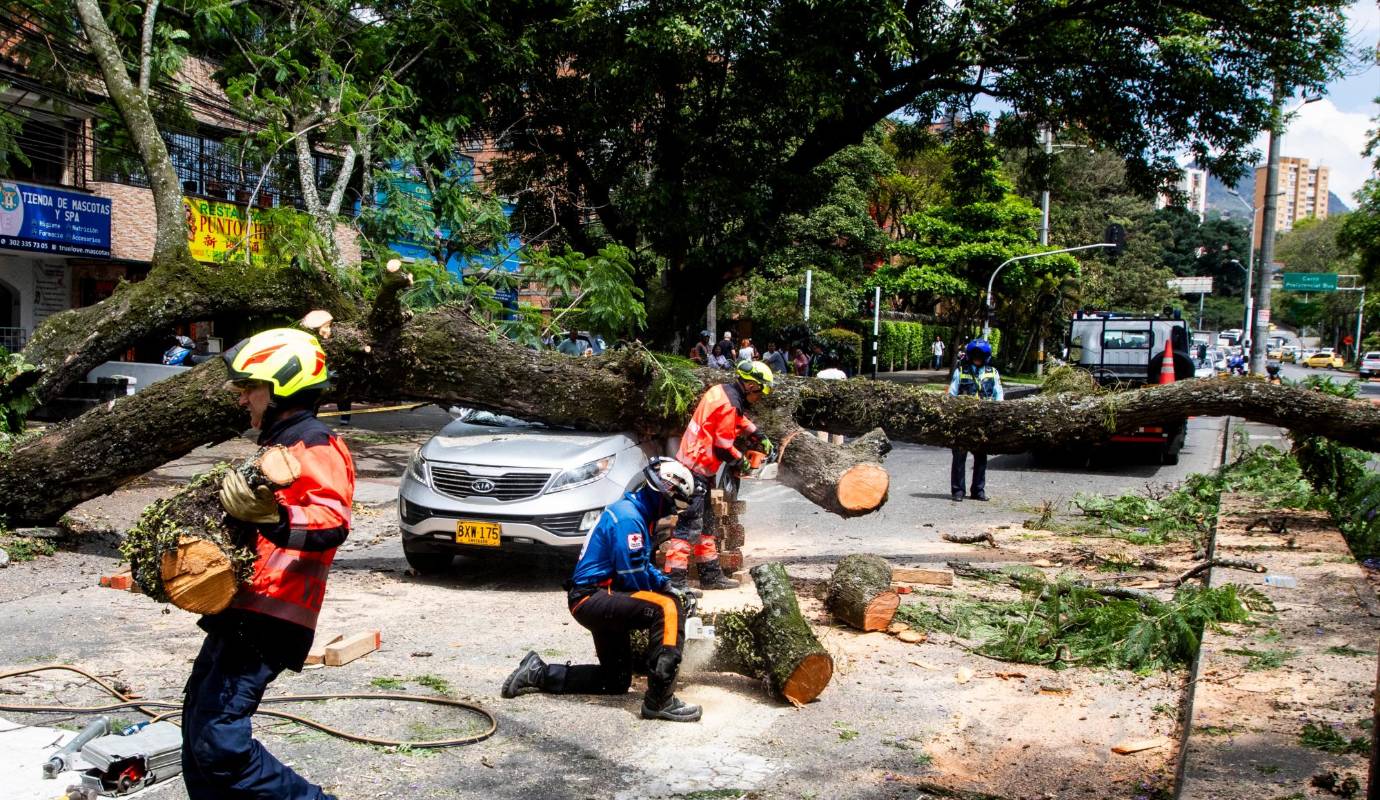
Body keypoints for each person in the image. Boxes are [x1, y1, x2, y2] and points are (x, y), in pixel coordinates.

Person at [183, 328, 354, 800]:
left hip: (272, 614)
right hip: (243, 609)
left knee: (220, 747)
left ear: (280, 386)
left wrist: (276, 517)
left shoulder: (314, 444)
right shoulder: (280, 444)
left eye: (249, 388)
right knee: (198, 731)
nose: (243, 400)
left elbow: (332, 522)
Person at [500, 458, 701, 722]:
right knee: (668, 608)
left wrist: (665, 584)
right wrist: (669, 596)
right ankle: (660, 700)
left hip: (597, 596)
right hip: (595, 597)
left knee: (614, 680)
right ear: (664, 494)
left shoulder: (632, 512)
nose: (671, 513)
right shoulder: (629, 518)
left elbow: (640, 564)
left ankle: (538, 672)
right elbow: (632, 575)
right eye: (673, 506)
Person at [671, 360, 775, 590]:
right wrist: (744, 463)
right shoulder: (731, 403)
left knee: (707, 523)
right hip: (694, 467)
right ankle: (676, 583)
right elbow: (723, 447)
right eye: (761, 391)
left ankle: (710, 576)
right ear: (750, 385)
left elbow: (736, 419)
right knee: (688, 526)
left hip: (698, 466)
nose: (761, 396)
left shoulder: (722, 391)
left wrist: (757, 434)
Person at [948, 339, 1002, 502]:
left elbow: (999, 395)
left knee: (981, 457)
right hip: (963, 421)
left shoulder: (993, 372)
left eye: (981, 356)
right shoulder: (961, 371)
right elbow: (952, 394)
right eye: (975, 355)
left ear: (986, 357)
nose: (977, 358)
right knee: (959, 457)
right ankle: (958, 491)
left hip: (984, 422)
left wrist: (998, 415)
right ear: (970, 356)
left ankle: (978, 490)